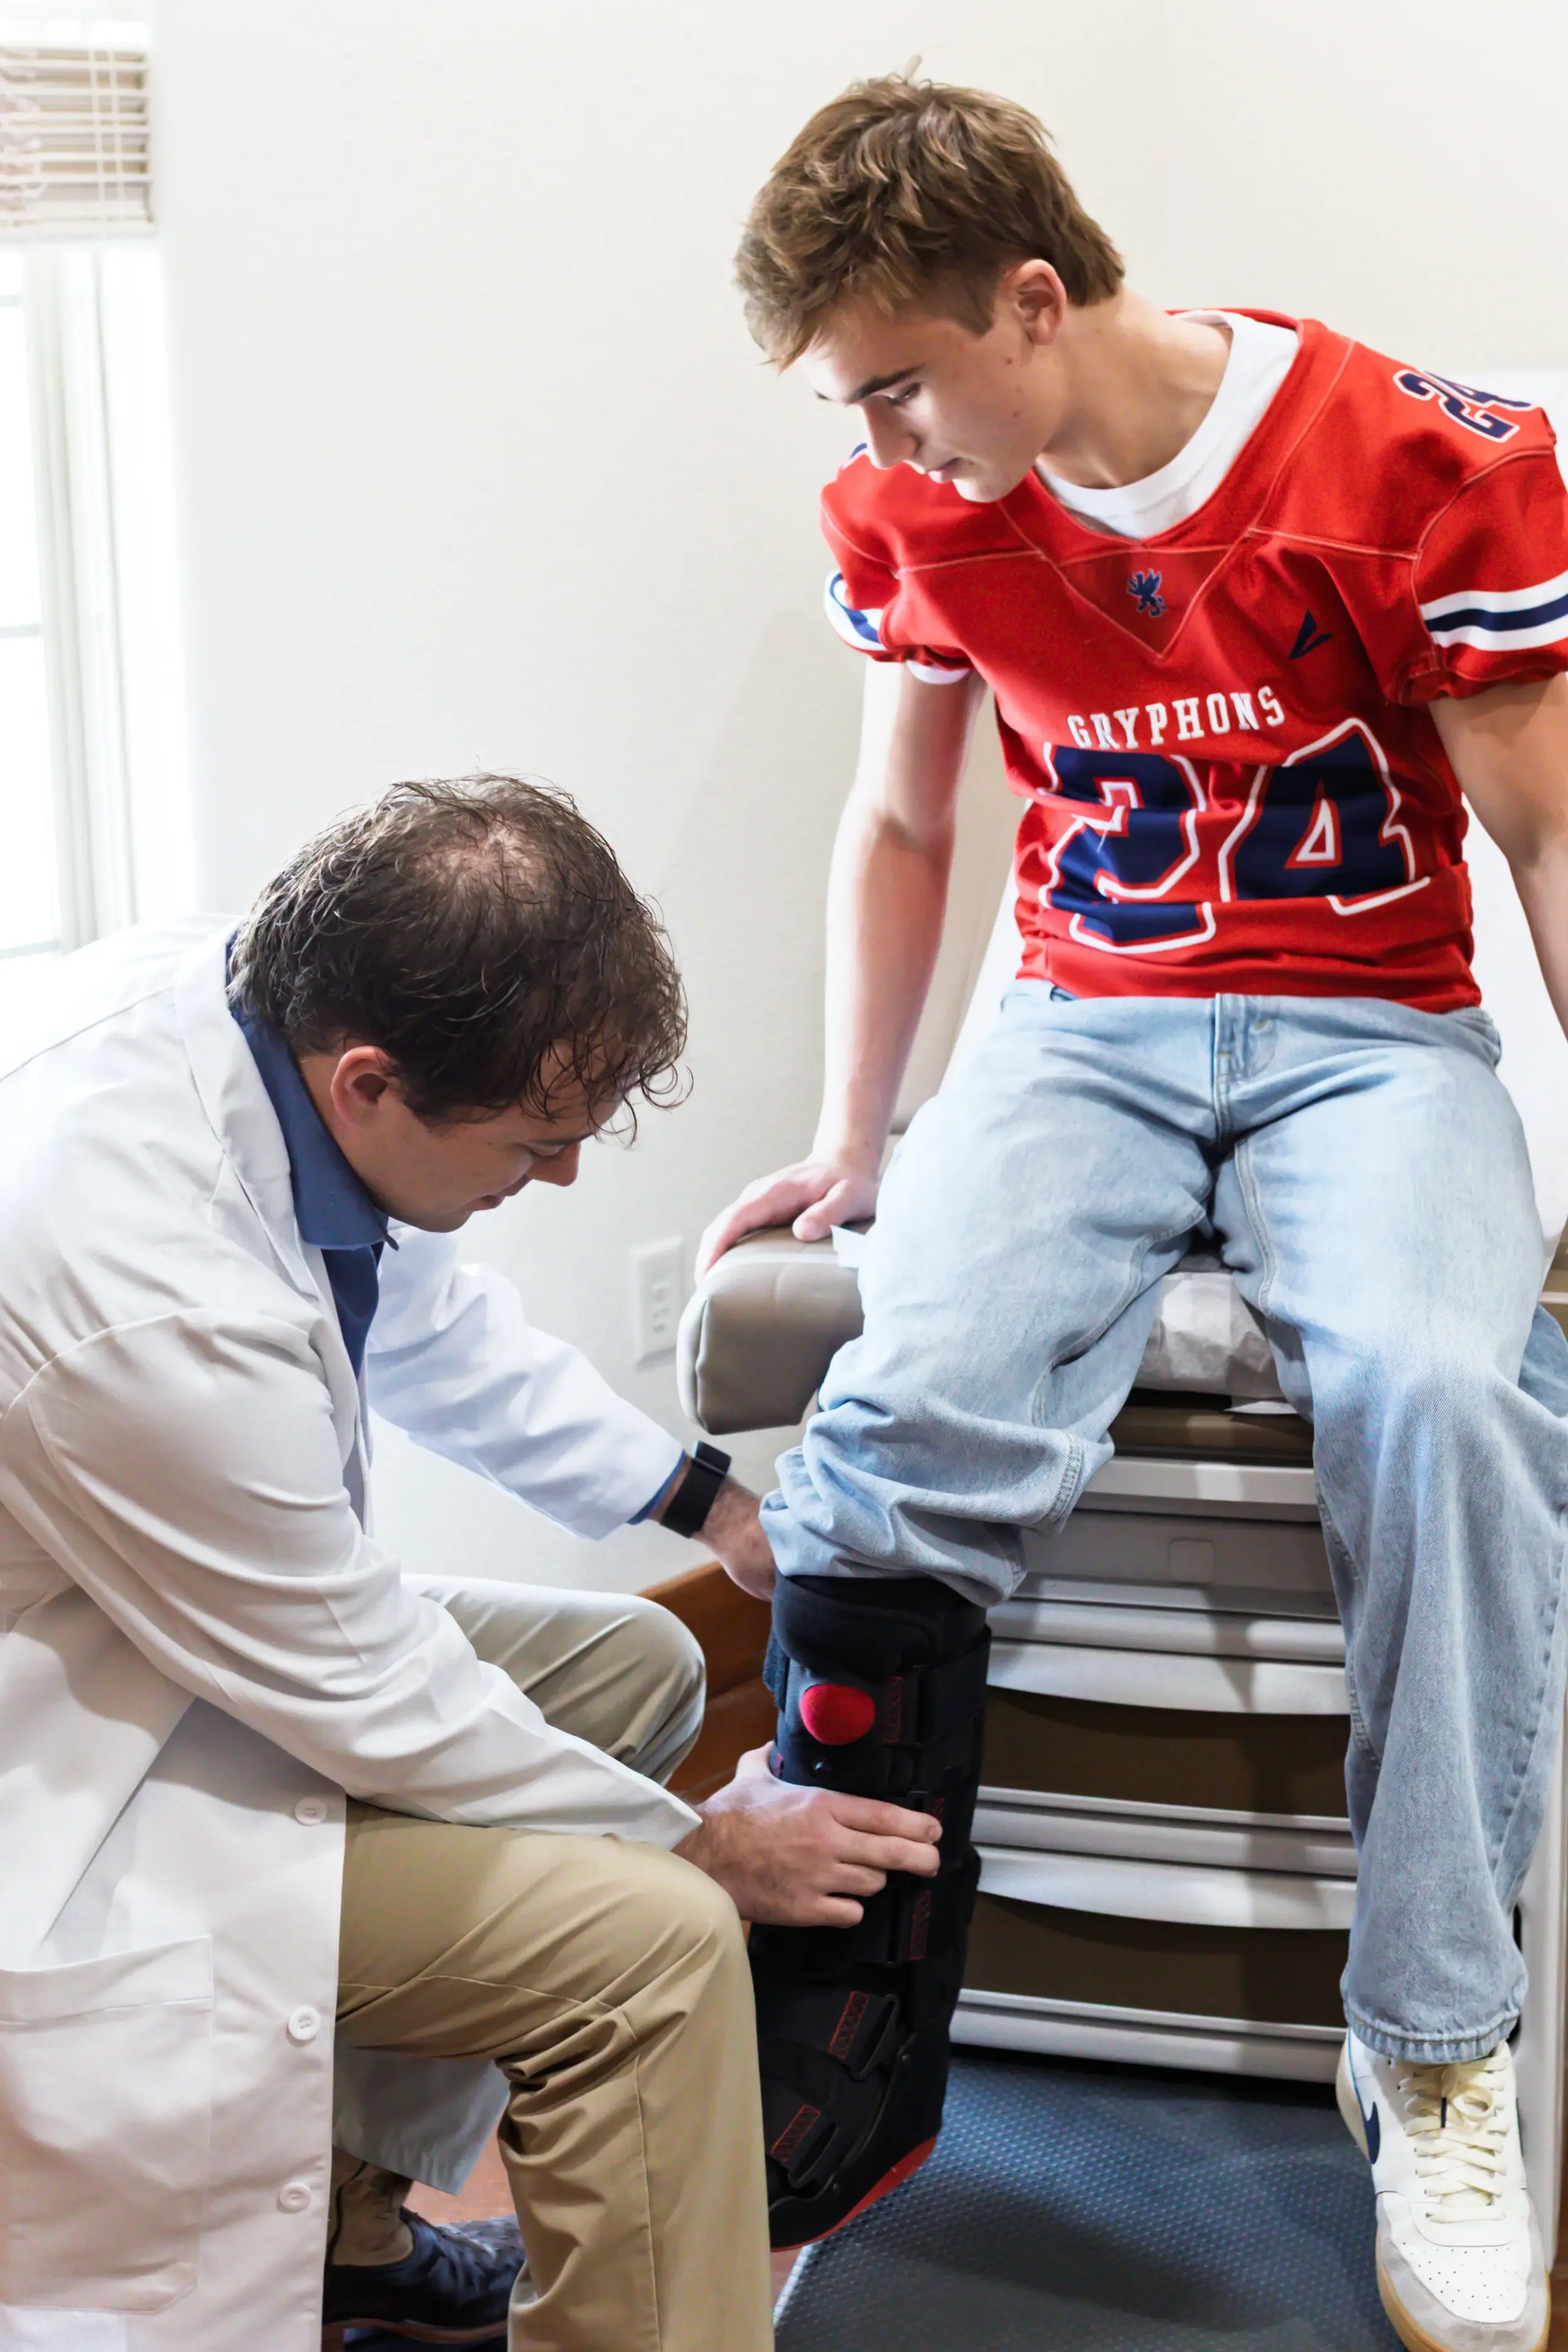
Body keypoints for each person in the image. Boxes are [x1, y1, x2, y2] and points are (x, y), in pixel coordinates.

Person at [701, 73, 1568, 2352]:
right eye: (843, 398)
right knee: (895, 1415)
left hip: (1363, 1030)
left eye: (897, 376)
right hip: (1079, 1025)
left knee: (1437, 1391)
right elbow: (902, 828)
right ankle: (842, 1998)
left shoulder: (1417, 457)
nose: (878, 434)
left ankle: (1440, 2044)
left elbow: (1547, 835)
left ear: (1031, 294)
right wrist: (856, 1129)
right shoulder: (909, 512)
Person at [0, 773, 944, 2352]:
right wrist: (697, 1848)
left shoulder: (255, 1015)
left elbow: (427, 1323)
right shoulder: (132, 1284)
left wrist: (710, 1503)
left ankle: (352, 2230)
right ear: (371, 1082)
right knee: (651, 1952)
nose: (565, 1177)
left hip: (150, 1633)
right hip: (63, 1777)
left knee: (637, 1663)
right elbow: (366, 1688)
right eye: (536, 1142)